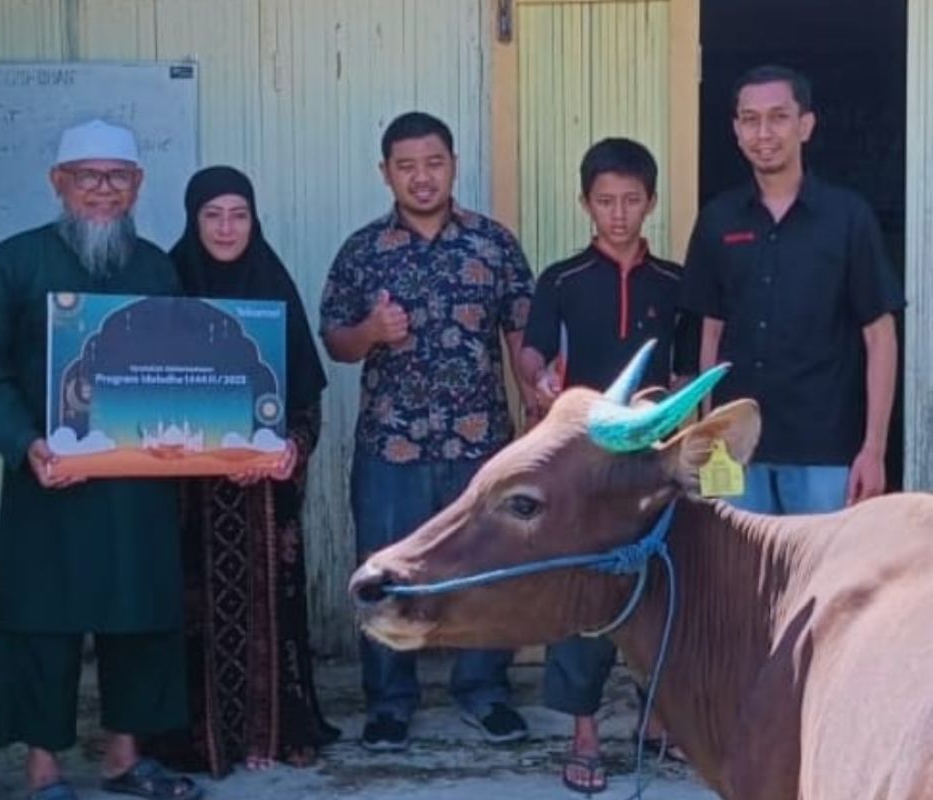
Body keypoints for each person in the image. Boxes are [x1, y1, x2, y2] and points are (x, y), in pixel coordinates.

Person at [0, 120, 200, 800]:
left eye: (117, 177)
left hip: (137, 483)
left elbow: (183, 368)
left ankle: (125, 758)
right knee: (42, 618)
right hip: (49, 478)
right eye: (87, 176)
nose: (103, 190)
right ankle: (43, 769)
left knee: (142, 612)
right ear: (58, 184)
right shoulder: (15, 263)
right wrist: (23, 443)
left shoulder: (157, 267)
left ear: (137, 186)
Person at [319, 111, 535, 752]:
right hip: (392, 445)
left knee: (485, 570)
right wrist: (371, 334)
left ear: (454, 165)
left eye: (433, 163)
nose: (421, 177)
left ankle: (484, 692)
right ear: (386, 172)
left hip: (482, 448)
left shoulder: (493, 244)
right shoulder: (363, 251)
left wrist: (537, 406)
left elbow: (520, 335)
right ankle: (389, 702)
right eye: (406, 166)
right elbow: (336, 342)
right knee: (386, 575)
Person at [519, 137, 696, 795]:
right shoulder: (560, 281)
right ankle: (585, 733)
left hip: (655, 464)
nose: (618, 214)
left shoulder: (678, 282)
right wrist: (539, 384)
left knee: (663, 590)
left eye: (630, 201)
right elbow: (535, 356)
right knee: (583, 597)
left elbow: (688, 366)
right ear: (584, 204)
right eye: (604, 202)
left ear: (651, 201)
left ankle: (662, 721)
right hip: (582, 467)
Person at [150, 165, 339, 775]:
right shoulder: (169, 284)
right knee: (190, 612)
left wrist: (292, 448)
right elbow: (141, 389)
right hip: (185, 493)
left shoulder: (271, 286)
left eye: (239, 215)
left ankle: (273, 730)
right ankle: (198, 736)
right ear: (192, 219)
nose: (226, 228)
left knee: (269, 610)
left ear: (254, 220)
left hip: (263, 491)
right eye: (213, 215)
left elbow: (307, 397)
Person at [681, 65, 904, 514]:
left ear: (805, 125)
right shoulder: (717, 220)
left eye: (779, 116)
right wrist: (708, 435)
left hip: (824, 448)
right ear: (736, 130)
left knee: (822, 582)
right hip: (735, 449)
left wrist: (873, 449)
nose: (764, 132)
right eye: (750, 119)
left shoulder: (848, 218)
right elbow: (710, 333)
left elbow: (880, 337)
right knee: (742, 581)